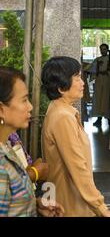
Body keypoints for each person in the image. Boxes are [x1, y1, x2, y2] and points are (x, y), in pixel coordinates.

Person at [41, 57, 110, 217]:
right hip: (70, 203)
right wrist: (101, 208)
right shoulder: (63, 117)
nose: (83, 83)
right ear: (61, 87)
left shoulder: (61, 110)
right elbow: (77, 167)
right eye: (77, 78)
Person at [0, 66, 64, 217]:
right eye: (24, 100)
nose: (30, 106)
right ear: (1, 109)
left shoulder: (7, 147)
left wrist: (34, 204)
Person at [88, 44, 110, 128]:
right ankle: (99, 118)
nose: (102, 51)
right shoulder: (97, 60)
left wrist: (107, 71)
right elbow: (91, 69)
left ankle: (109, 119)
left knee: (107, 99)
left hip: (108, 81)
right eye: (101, 49)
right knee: (98, 99)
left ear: (107, 50)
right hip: (99, 81)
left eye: (104, 49)